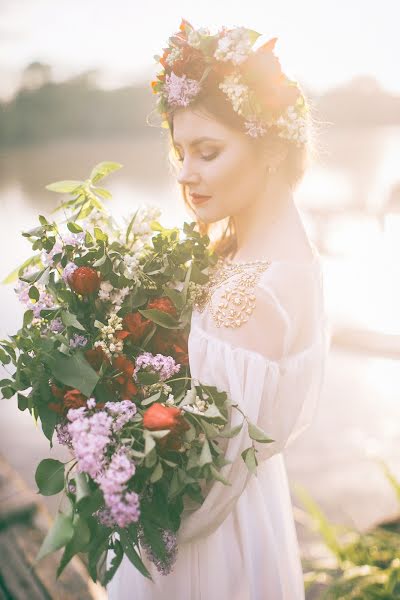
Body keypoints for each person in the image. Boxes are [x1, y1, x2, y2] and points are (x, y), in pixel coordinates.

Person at [107, 19, 330, 600]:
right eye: (180, 152)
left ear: (271, 147)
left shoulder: (260, 292)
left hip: (208, 550)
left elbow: (205, 489)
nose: (185, 173)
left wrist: (111, 477)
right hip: (243, 515)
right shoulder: (255, 249)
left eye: (208, 152)